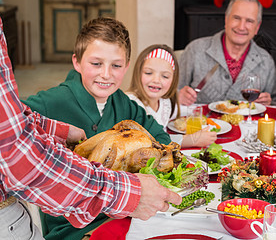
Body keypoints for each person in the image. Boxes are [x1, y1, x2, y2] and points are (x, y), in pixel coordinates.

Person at [0, 18, 181, 239]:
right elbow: (14, 125)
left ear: (127, 65)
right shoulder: (50, 102)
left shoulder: (126, 105)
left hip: (125, 213)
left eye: (116, 65)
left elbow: (160, 140)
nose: (106, 74)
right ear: (76, 62)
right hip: (73, 227)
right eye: (96, 64)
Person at [178, 0, 276, 106]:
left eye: (249, 21)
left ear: (257, 27)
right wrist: (178, 96)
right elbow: (170, 92)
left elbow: (275, 102)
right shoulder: (195, 50)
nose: (241, 27)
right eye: (236, 18)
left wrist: (268, 102)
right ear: (226, 20)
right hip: (200, 122)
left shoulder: (266, 61)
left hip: (244, 124)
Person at [127, 44, 217, 147]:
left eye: (165, 76)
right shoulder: (131, 104)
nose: (156, 80)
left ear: (173, 80)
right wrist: (192, 140)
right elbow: (151, 141)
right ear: (138, 73)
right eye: (148, 73)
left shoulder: (165, 102)